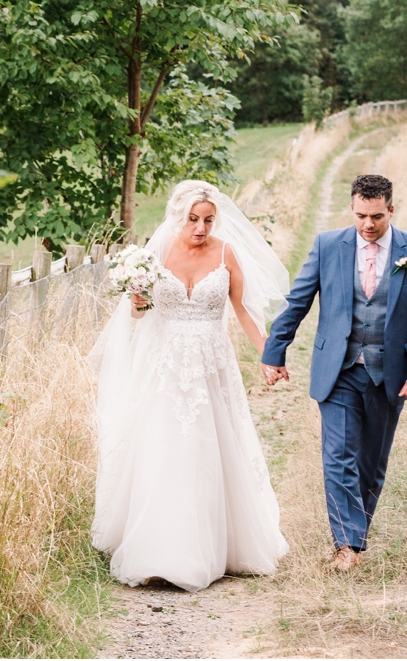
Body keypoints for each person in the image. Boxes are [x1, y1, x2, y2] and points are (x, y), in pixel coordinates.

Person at [89, 180, 290, 592]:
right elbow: (138, 314)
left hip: (211, 367)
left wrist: (270, 356)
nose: (200, 228)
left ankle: (210, 549)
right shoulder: (155, 254)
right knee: (163, 448)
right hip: (164, 366)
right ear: (178, 217)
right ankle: (158, 551)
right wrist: (137, 300)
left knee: (207, 449)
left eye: (208, 220)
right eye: (193, 220)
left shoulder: (225, 253)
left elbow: (245, 313)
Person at [261, 173, 407, 572]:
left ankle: (354, 534)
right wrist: (275, 351)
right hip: (338, 369)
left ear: (391, 210)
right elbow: (298, 301)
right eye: (361, 215)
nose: (368, 225)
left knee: (371, 463)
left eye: (377, 216)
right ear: (352, 208)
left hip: (390, 372)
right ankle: (348, 546)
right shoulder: (328, 246)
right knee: (338, 456)